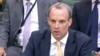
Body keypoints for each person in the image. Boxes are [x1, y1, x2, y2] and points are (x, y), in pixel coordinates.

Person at [23, 2, 92, 56]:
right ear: (48, 21)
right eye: (53, 21)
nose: (56, 26)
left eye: (61, 21)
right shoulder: (36, 38)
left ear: (70, 22)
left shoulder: (83, 42)